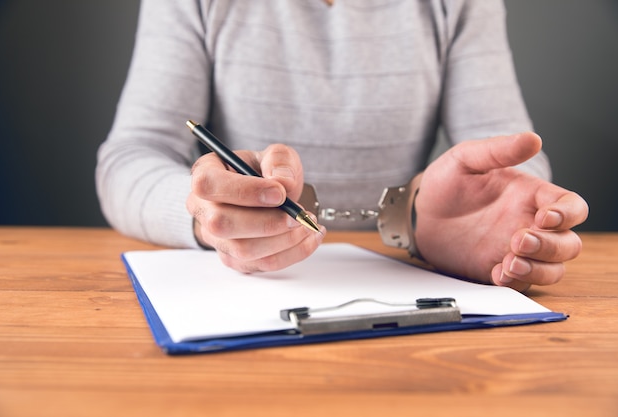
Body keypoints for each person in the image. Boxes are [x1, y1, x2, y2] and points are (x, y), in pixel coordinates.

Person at [96, 0, 588, 292]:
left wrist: (477, 214)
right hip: (244, 288)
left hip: (406, 274)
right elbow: (130, 157)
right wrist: (207, 214)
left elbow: (516, 159)